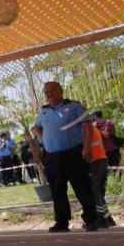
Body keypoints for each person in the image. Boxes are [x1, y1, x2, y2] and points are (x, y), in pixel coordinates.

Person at [32, 82, 99, 232]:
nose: (49, 94)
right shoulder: (44, 111)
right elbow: (36, 127)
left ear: (61, 90)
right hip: (52, 157)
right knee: (57, 191)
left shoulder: (75, 106)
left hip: (74, 154)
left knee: (82, 188)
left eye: (53, 90)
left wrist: (87, 148)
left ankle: (90, 220)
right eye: (46, 92)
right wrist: (43, 140)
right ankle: (61, 222)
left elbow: (88, 127)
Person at [86, 124, 116, 228]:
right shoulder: (93, 128)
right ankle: (105, 218)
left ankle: (103, 218)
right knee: (98, 191)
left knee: (94, 190)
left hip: (95, 161)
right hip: (101, 160)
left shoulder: (86, 129)